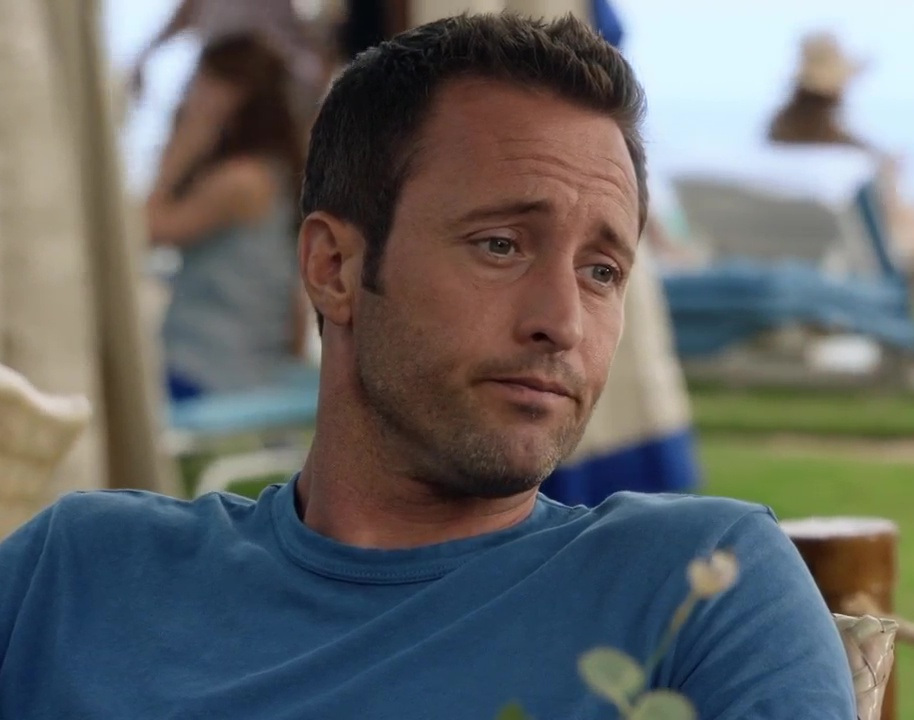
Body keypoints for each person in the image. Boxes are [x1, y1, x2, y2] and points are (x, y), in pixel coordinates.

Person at [0, 13, 855, 719]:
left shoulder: (697, 587)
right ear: (334, 268)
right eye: (500, 245)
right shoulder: (77, 573)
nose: (562, 322)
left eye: (602, 271)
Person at [147, 34, 308, 399]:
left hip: (209, 369)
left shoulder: (241, 181)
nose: (189, 95)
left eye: (201, 82)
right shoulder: (274, 173)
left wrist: (181, 149)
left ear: (232, 95)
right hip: (248, 370)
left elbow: (144, 231)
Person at [768, 31, 914, 262]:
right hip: (853, 264)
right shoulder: (849, 155)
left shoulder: (777, 136)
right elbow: (890, 217)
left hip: (792, 253)